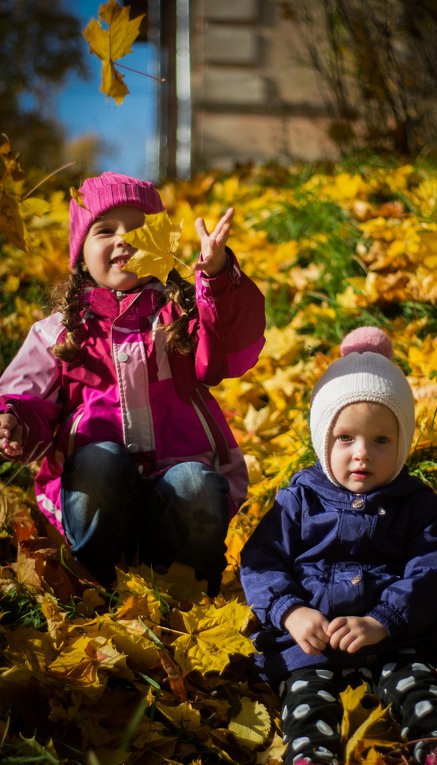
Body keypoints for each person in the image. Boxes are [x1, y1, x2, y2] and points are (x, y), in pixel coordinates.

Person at [240, 326, 437, 765]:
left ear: (402, 444)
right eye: (345, 438)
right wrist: (290, 612)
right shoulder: (298, 499)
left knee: (416, 686)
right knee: (306, 700)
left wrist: (386, 619)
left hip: (389, 639)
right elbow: (261, 561)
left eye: (381, 439)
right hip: (312, 641)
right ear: (324, 440)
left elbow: (431, 569)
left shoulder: (415, 503)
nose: (362, 453)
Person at [0, 171, 265, 594]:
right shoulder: (60, 332)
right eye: (106, 231)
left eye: (139, 229)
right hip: (99, 492)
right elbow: (26, 393)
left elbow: (234, 346)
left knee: (195, 484)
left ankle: (190, 583)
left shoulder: (182, 315)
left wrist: (216, 279)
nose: (124, 239)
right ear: (81, 256)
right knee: (98, 461)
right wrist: (15, 419)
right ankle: (97, 579)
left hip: (178, 480)